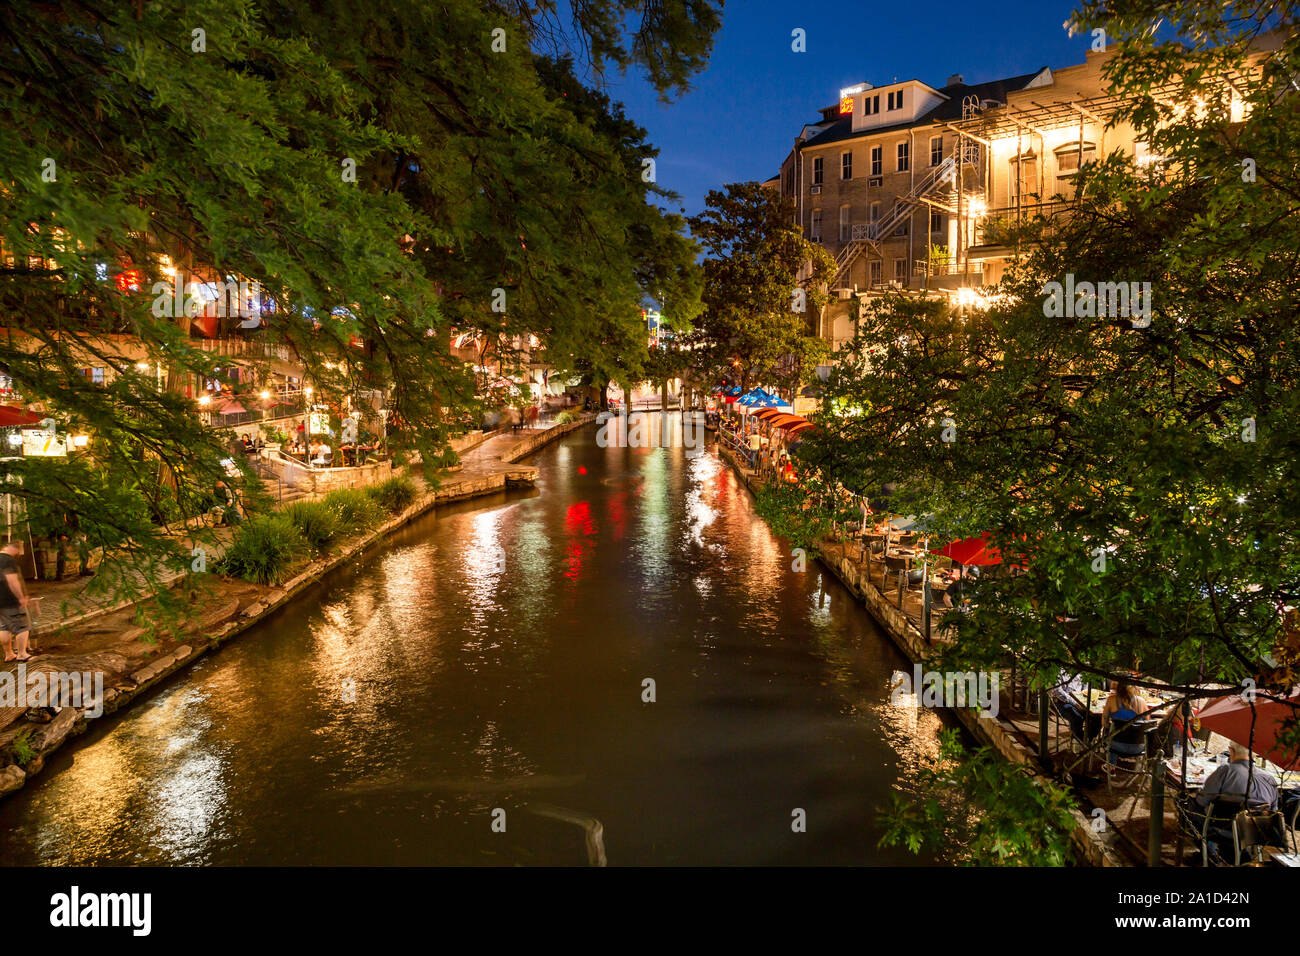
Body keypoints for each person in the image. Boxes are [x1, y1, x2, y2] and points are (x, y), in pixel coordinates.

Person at [0, 539, 35, 662]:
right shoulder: (8, 560)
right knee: (22, 626)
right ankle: (21, 654)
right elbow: (12, 581)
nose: (18, 554)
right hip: (10, 600)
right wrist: (21, 597)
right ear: (16, 548)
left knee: (4, 627)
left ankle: (8, 654)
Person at [1102, 679, 1149, 764]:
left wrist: (1109, 727)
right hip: (1138, 746)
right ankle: (1137, 767)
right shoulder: (1141, 702)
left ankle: (1112, 765)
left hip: (1116, 745)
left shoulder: (1111, 700)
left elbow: (1104, 723)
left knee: (1111, 733)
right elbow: (1147, 724)